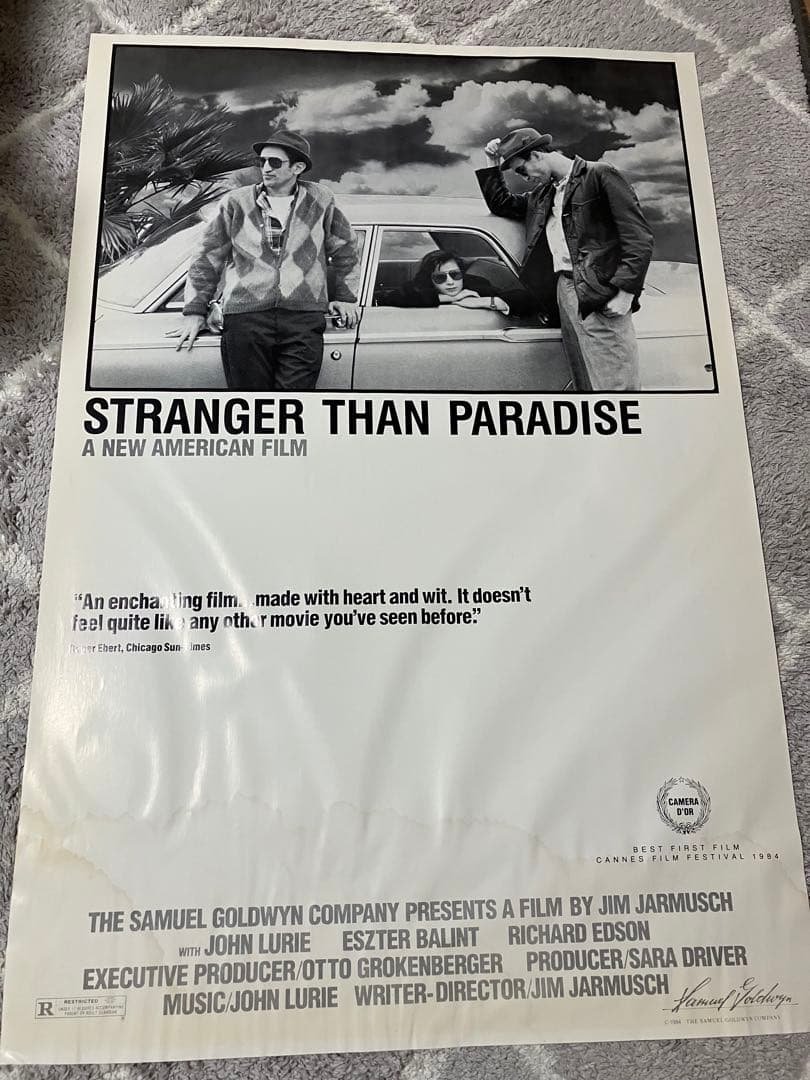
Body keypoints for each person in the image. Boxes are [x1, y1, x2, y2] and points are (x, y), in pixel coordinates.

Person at [177, 129, 360, 390]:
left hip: (303, 319)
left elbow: (345, 248)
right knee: (251, 404)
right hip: (246, 319)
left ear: (297, 167)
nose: (265, 168)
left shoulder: (320, 198)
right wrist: (194, 311)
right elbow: (207, 256)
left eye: (274, 162)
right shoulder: (236, 202)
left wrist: (345, 297)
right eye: (261, 161)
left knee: (293, 404)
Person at [476, 127, 654, 392]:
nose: (524, 178)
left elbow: (638, 237)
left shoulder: (599, 174)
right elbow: (502, 204)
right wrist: (491, 162)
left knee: (615, 383)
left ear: (537, 155)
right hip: (564, 288)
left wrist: (626, 292)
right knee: (584, 378)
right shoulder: (544, 194)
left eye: (522, 170)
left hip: (600, 290)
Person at [376, 249, 531, 315]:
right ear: (430, 279)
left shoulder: (476, 285)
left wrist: (489, 301)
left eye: (455, 275)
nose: (450, 282)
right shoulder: (420, 287)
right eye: (440, 277)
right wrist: (450, 298)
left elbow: (527, 298)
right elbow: (391, 298)